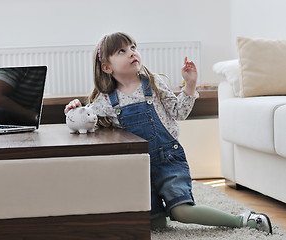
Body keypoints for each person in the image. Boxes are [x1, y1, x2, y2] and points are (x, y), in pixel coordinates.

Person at [64, 32, 272, 234]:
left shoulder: (153, 83)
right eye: (121, 51)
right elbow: (85, 121)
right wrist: (74, 108)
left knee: (181, 211)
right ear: (107, 67)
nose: (131, 53)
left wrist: (190, 85)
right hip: (139, 167)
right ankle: (161, 210)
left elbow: (179, 112)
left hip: (168, 159)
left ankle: (243, 220)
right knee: (156, 224)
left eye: (133, 47)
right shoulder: (105, 100)